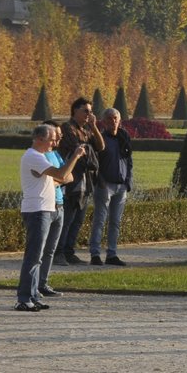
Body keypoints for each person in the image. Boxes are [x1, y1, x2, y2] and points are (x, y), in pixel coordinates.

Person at [17, 124, 88, 312]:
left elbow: (66, 178)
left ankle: (32, 295)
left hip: (45, 209)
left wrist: (61, 173)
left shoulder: (39, 157)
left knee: (38, 257)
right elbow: (62, 174)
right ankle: (24, 298)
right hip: (37, 211)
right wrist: (75, 156)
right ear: (39, 139)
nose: (54, 143)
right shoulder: (33, 156)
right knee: (33, 256)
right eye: (51, 139)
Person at [54, 98, 104, 265]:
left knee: (78, 220)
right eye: (85, 111)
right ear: (75, 110)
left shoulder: (86, 130)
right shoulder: (67, 128)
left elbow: (100, 146)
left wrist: (94, 127)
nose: (89, 114)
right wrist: (88, 151)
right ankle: (58, 252)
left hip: (85, 182)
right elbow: (80, 150)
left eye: (90, 111)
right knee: (67, 220)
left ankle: (69, 252)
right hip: (71, 180)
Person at [89, 108, 132, 266]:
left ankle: (111, 254)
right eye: (109, 119)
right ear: (104, 121)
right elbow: (94, 163)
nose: (112, 121)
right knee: (100, 221)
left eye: (115, 118)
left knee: (115, 222)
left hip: (121, 185)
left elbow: (129, 161)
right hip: (104, 185)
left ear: (119, 121)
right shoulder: (100, 138)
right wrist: (99, 181)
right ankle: (95, 254)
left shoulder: (124, 137)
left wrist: (128, 182)